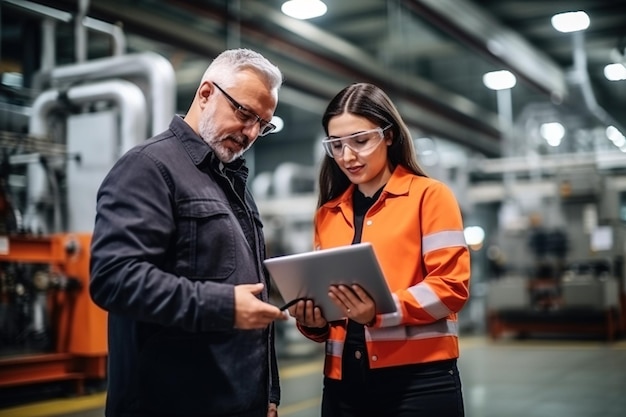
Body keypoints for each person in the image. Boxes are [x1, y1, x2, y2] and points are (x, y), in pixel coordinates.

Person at [89, 49, 287, 417]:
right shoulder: (148, 168)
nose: (251, 133)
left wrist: (267, 393)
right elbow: (113, 279)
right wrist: (222, 305)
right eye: (244, 113)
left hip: (240, 403)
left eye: (264, 123)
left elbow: (255, 295)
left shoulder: (232, 182)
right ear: (206, 93)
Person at [289, 82, 471, 417]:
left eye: (360, 141)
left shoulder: (430, 196)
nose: (347, 156)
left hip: (419, 381)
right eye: (336, 145)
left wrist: (378, 312)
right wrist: (313, 320)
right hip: (343, 383)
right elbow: (331, 302)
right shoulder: (328, 214)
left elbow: (450, 287)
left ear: (389, 135)